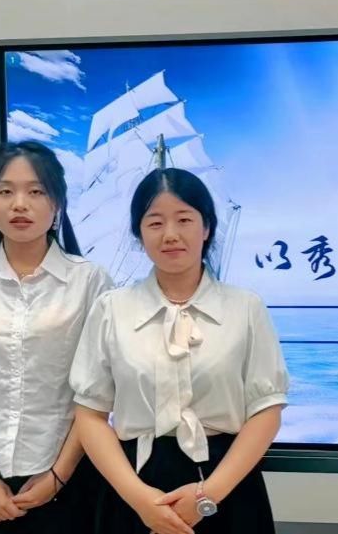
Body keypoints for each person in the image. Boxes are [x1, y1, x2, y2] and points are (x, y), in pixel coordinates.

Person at [71, 167, 290, 534]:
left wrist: (208, 494)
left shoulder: (245, 308)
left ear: (206, 228)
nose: (170, 234)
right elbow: (90, 415)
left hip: (227, 484)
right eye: (155, 223)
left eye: (185, 220)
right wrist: (139, 498)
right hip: (134, 486)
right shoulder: (111, 309)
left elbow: (266, 410)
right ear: (139, 234)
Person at [0, 141, 111, 534]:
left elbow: (96, 395)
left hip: (69, 480)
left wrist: (58, 476)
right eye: (5, 191)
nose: (20, 204)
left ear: (57, 203)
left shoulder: (90, 281)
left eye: (36, 191)